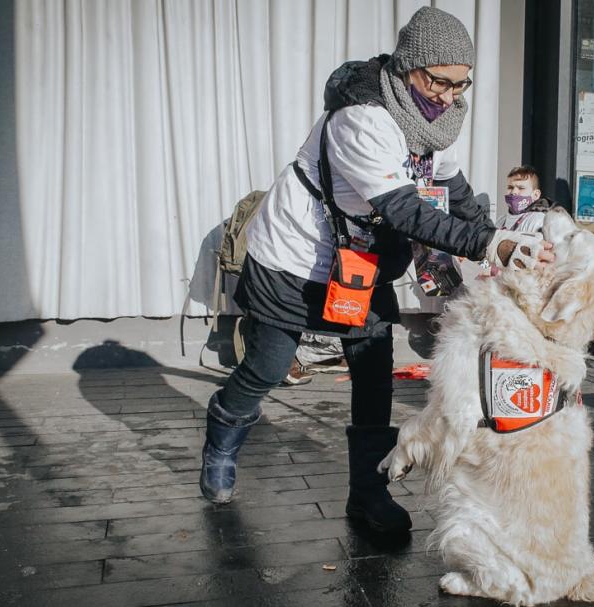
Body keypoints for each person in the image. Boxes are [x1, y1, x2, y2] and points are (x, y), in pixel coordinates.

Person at [199, 6, 552, 534]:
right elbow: (406, 210)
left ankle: (367, 493)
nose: (449, 96)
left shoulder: (434, 120)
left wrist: (509, 237)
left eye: (461, 85)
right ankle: (222, 431)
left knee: (372, 369)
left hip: (356, 263)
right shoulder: (360, 117)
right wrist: (490, 246)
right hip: (293, 256)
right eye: (439, 82)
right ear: (410, 67)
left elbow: (453, 193)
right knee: (269, 365)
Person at [496, 165, 557, 233]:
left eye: (521, 188)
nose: (513, 192)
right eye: (510, 187)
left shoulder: (538, 220)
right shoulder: (500, 220)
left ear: (535, 195)